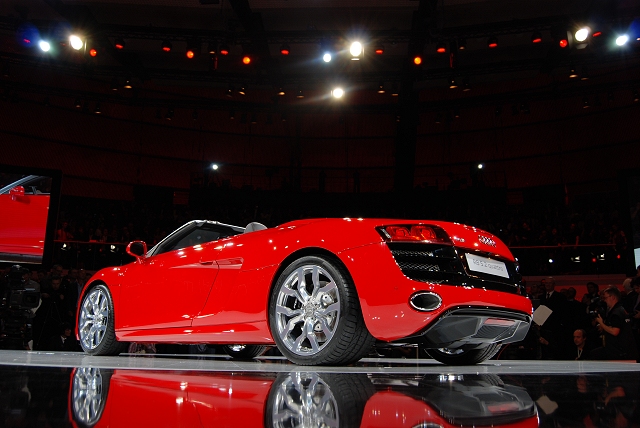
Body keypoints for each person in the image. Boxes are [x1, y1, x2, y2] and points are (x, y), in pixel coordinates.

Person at [590, 287, 638, 361]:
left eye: (605, 298)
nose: (604, 300)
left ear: (612, 297)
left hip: (619, 352)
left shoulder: (616, 313)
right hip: (624, 350)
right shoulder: (620, 309)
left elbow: (615, 331)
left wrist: (601, 323)